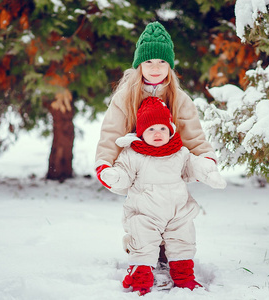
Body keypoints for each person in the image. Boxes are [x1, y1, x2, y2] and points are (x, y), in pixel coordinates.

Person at [98, 96, 226, 296]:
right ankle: (141, 276)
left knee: (183, 240)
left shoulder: (180, 153)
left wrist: (208, 172)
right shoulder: (133, 154)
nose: (158, 133)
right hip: (145, 212)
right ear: (141, 132)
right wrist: (114, 176)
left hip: (178, 212)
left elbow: (193, 165)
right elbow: (124, 173)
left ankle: (184, 276)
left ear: (170, 130)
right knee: (142, 241)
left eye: (162, 129)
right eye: (151, 129)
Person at [94, 21, 217, 178]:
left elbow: (193, 136)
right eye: (149, 61)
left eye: (162, 61)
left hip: (170, 168)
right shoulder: (125, 97)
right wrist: (105, 164)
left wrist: (204, 160)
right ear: (140, 65)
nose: (155, 68)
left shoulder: (180, 98)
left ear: (169, 65)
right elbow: (112, 134)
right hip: (135, 167)